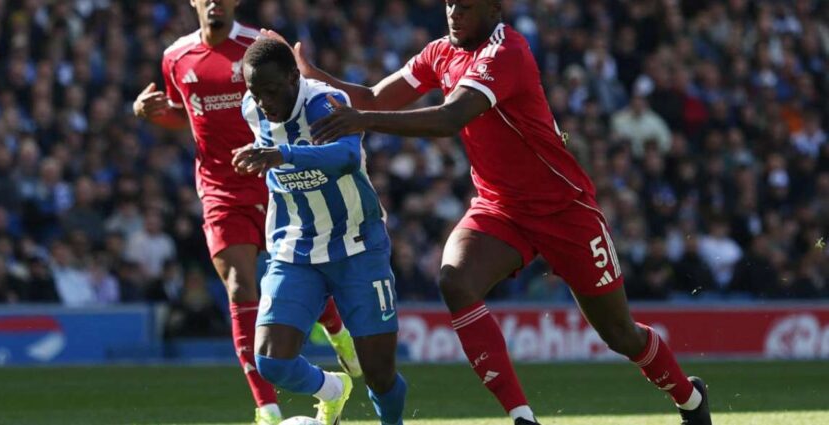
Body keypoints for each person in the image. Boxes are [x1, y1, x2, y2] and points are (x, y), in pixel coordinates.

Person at [265, 1, 712, 424]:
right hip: (499, 209)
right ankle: (521, 416)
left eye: (466, 5)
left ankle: (689, 397)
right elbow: (374, 96)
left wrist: (362, 121)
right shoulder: (439, 51)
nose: (455, 14)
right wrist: (311, 77)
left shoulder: (507, 52)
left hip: (565, 210)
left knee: (619, 335)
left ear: (494, 8)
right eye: (449, 5)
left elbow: (448, 118)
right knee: (454, 278)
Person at [131, 1, 360, 423]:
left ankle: (337, 332)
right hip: (221, 188)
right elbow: (187, 114)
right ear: (193, 2)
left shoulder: (260, 46)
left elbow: (297, 100)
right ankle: (268, 408)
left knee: (296, 268)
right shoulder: (176, 57)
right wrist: (152, 113)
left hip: (276, 176)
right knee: (241, 284)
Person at [231, 38, 407, 425]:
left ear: (295, 77)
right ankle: (333, 389)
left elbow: (345, 156)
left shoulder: (325, 103)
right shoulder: (252, 110)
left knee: (379, 375)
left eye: (272, 91)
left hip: (357, 244)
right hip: (295, 247)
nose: (263, 102)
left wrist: (284, 154)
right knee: (271, 361)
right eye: (255, 92)